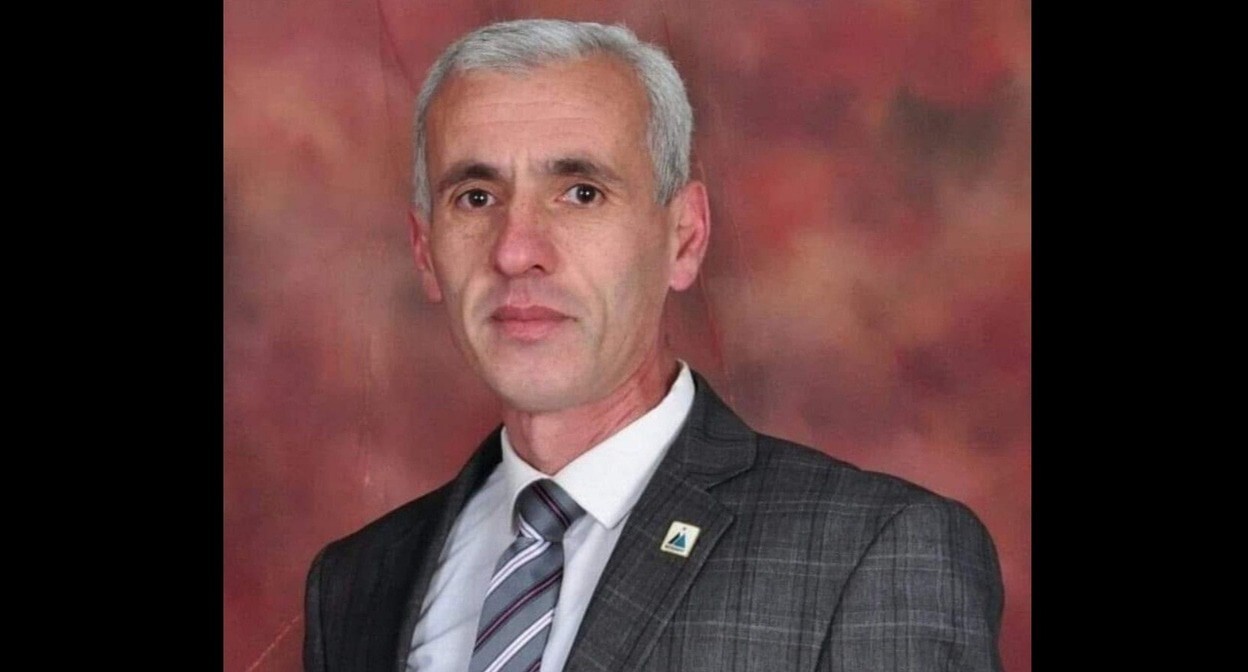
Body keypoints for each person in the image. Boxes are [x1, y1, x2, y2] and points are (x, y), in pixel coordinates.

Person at [303, 18, 1004, 672]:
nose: (515, 252)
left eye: (581, 193)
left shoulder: (874, 553)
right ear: (425, 250)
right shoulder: (357, 582)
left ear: (685, 238)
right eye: (476, 197)